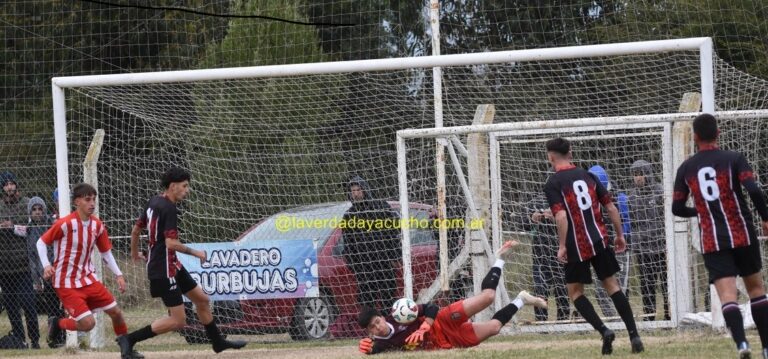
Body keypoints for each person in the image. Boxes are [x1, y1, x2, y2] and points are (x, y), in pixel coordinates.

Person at [120, 167, 246, 357]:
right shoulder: (169, 208)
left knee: (202, 300)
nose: (188, 190)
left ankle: (218, 342)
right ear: (173, 186)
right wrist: (197, 253)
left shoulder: (154, 201)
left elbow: (136, 230)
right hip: (164, 270)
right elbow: (171, 243)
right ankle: (129, 339)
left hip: (172, 265)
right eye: (185, 186)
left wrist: (134, 253)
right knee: (178, 321)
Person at [672, 113, 768, 359]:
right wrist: (766, 218)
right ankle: (767, 347)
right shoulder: (734, 159)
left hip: (713, 240)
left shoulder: (686, 168)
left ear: (695, 137)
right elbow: (754, 189)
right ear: (718, 133)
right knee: (756, 290)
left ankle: (742, 344)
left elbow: (677, 208)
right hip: (742, 233)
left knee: (727, 296)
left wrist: (699, 211)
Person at [543, 138, 643, 355]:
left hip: (575, 244)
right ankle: (634, 335)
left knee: (576, 293)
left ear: (550, 157)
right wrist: (620, 235)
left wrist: (562, 245)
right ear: (570, 153)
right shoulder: (589, 176)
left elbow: (561, 216)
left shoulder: (553, 183)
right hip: (599, 239)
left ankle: (604, 331)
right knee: (613, 286)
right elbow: (611, 207)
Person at [357, 240, 546, 354]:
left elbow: (431, 307)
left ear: (382, 317)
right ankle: (521, 299)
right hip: (448, 342)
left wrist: (425, 326)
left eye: (377, 322)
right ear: (369, 331)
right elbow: (375, 349)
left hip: (444, 319)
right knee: (494, 327)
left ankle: (500, 259)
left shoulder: (399, 314)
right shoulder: (381, 343)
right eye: (372, 327)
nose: (377, 327)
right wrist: (368, 350)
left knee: (488, 296)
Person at [37, 183, 137, 356]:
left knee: (116, 312)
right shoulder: (65, 224)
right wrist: (46, 265)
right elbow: (41, 242)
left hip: (88, 279)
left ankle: (127, 350)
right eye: (87, 199)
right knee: (88, 324)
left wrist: (119, 274)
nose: (92, 203)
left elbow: (106, 253)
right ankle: (58, 323)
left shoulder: (97, 225)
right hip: (66, 282)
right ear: (77, 202)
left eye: (94, 199)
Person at [342, 175, 400, 310]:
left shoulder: (381, 207)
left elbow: (394, 232)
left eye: (358, 190)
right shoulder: (349, 215)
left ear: (365, 190)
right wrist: (352, 263)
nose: (355, 193)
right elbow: (348, 241)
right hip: (364, 266)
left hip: (384, 262)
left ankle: (388, 322)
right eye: (353, 191)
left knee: (387, 298)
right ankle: (371, 323)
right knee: (367, 301)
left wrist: (395, 256)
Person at [0, 172, 39, 349]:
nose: (9, 187)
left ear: (16, 185)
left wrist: (13, 227)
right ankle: (19, 340)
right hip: (4, 267)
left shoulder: (27, 204)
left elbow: (32, 228)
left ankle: (35, 340)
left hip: (23, 266)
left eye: (11, 183)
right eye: (6, 184)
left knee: (29, 305)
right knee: (11, 307)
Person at [588, 165, 631, 318]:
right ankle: (612, 318)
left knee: (619, 288)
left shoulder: (620, 199)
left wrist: (622, 237)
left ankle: (622, 318)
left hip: (619, 250)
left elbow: (627, 221)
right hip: (601, 250)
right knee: (600, 290)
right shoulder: (588, 201)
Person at [628, 160, 670, 321]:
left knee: (666, 283)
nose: (638, 178)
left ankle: (669, 314)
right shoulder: (632, 196)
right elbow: (632, 222)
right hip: (642, 249)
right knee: (646, 284)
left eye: (640, 174)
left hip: (661, 246)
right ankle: (649, 316)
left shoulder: (660, 192)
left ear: (648, 174)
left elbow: (666, 218)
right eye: (635, 174)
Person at [520, 195, 569, 321]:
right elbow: (522, 223)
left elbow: (575, 223)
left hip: (562, 253)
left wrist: (557, 218)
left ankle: (563, 321)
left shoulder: (566, 200)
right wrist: (532, 218)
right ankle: (541, 322)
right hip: (540, 254)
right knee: (540, 290)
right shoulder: (536, 201)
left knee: (562, 291)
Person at [25, 196, 65, 347]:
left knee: (63, 305)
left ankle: (65, 336)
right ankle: (54, 338)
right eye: (34, 209)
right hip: (44, 276)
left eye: (40, 209)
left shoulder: (51, 224)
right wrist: (37, 279)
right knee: (52, 307)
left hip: (58, 271)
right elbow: (32, 257)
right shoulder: (29, 230)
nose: (37, 212)